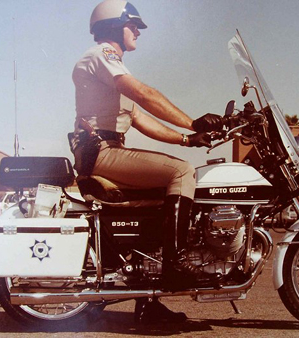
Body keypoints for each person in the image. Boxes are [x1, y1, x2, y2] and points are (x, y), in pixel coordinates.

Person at [71, 0, 222, 324]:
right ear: (113, 27)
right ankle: (175, 265)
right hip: (101, 152)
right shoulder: (103, 56)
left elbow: (140, 118)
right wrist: (193, 122)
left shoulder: (111, 70)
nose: (138, 30)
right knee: (181, 171)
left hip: (105, 150)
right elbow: (143, 94)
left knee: (158, 204)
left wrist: (188, 138)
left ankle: (148, 303)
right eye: (132, 24)